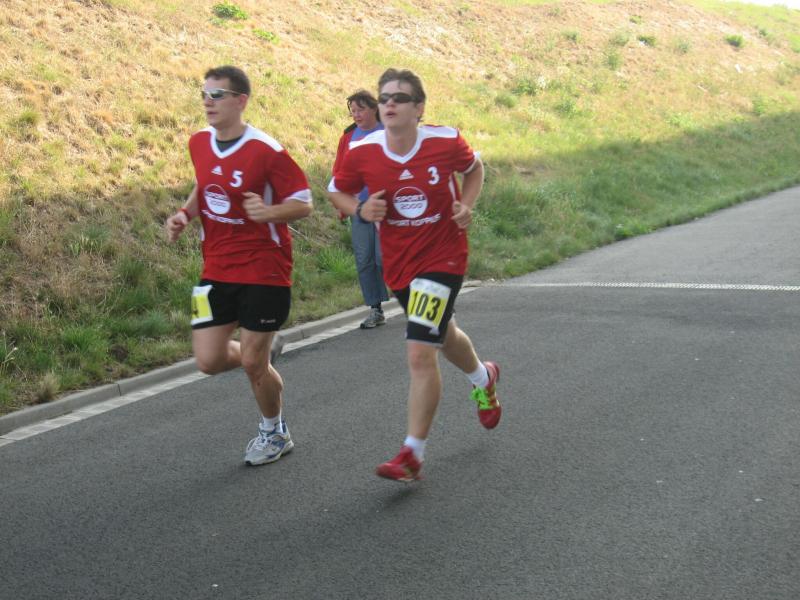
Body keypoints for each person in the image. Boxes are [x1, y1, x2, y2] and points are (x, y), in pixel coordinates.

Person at [327, 68, 501, 482]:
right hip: (400, 264)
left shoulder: (445, 141)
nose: (389, 104)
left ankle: (412, 454)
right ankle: (483, 377)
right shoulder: (363, 150)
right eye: (384, 97)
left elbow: (474, 169)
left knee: (421, 351)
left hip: (443, 256)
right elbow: (335, 190)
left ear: (419, 108)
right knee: (444, 333)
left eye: (400, 98)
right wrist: (360, 209)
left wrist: (466, 205)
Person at [165, 65, 313, 466]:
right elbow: (204, 183)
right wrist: (185, 214)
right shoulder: (199, 142)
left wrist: (269, 212)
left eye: (217, 95)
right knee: (208, 361)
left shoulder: (266, 150)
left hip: (265, 269)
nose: (208, 102)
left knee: (252, 363)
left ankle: (274, 431)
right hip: (215, 267)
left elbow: (304, 202)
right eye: (204, 94)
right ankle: (263, 348)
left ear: (240, 100)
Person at [332, 90, 389, 329]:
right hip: (360, 208)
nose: (356, 115)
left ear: (374, 109)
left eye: (360, 110)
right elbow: (338, 171)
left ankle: (420, 295)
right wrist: (342, 203)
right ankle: (376, 309)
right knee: (365, 259)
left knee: (384, 258)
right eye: (352, 111)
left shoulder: (390, 131)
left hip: (388, 207)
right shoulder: (348, 137)